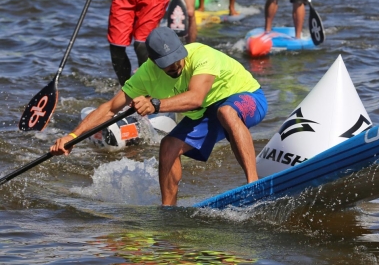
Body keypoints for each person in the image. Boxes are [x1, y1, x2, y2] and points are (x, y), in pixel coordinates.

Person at [50, 26, 268, 206]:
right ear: (154, 63)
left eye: (176, 58)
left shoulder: (202, 55)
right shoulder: (146, 75)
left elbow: (195, 98)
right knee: (168, 146)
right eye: (166, 63)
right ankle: (168, 211)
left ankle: (253, 184)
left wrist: (155, 104)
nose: (174, 65)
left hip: (246, 98)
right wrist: (72, 136)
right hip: (206, 112)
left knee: (226, 111)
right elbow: (109, 108)